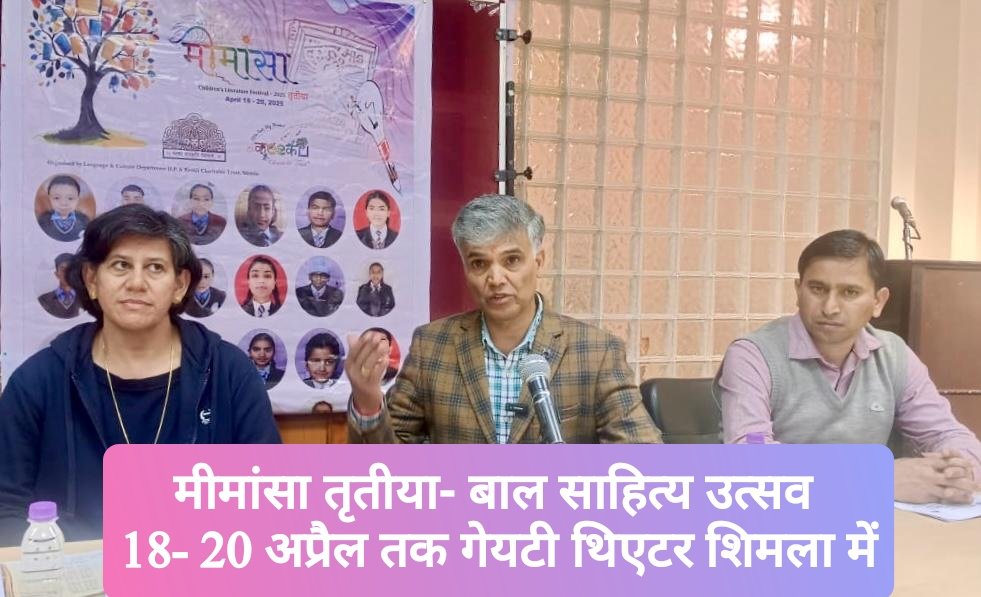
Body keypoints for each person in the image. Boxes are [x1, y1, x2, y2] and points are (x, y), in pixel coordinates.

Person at [0, 204, 281, 546]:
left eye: (155, 268)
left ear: (179, 285)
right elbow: (6, 510)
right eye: (120, 265)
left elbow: (266, 500)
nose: (136, 283)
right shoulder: (38, 381)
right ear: (92, 279)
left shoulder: (230, 373)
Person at [346, 195, 662, 444]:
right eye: (479, 264)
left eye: (511, 260)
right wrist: (369, 401)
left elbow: (643, 462)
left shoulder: (596, 351)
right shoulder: (432, 345)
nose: (496, 279)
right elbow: (387, 467)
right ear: (466, 270)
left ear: (538, 261)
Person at [716, 229, 981, 504]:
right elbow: (749, 459)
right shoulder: (753, 355)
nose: (830, 307)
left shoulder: (894, 355)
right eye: (817, 289)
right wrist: (875, 479)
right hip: (778, 517)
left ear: (878, 302)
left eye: (849, 292)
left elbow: (949, 434)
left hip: (869, 521)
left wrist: (957, 472)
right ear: (798, 291)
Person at [37, 174, 90, 242]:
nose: (63, 203)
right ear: (49, 199)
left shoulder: (84, 221)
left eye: (70, 198)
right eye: (57, 198)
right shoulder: (43, 221)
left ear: (77, 199)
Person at [37, 253, 80, 318]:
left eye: (70, 269)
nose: (67, 273)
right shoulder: (44, 300)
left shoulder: (85, 300)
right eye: (63, 269)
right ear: (56, 274)